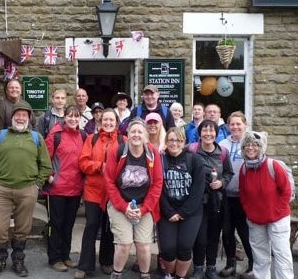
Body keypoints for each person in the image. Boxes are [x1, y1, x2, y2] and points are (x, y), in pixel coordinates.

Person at [0, 101, 52, 277]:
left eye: (25, 115)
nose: (21, 118)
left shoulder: (37, 138)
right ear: (12, 117)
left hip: (27, 189)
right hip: (1, 189)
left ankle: (18, 259)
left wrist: (37, 185)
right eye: (18, 115)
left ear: (29, 118)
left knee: (23, 227)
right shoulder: (1, 136)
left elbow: (46, 166)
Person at [104, 118, 163, 279]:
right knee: (124, 244)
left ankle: (145, 275)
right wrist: (124, 207)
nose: (136, 135)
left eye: (140, 131)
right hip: (120, 204)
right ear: (127, 134)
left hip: (145, 205)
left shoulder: (152, 153)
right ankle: (116, 274)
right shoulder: (117, 151)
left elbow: (158, 183)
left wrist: (143, 209)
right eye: (133, 131)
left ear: (145, 135)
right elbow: (109, 181)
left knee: (144, 246)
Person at [75, 108, 125, 279]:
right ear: (100, 121)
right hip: (93, 191)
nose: (108, 123)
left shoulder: (123, 140)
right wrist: (99, 166)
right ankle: (85, 265)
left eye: (111, 120)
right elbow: (83, 162)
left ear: (117, 122)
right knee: (91, 227)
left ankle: (106, 261)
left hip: (113, 193)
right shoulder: (92, 139)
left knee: (109, 229)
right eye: (105, 120)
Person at [239, 131, 294, 279]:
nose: (250, 148)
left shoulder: (273, 165)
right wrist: (248, 211)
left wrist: (277, 210)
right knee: (260, 257)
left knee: (282, 254)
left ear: (261, 147)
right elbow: (243, 194)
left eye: (255, 144)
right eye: (247, 145)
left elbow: (286, 191)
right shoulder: (244, 169)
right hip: (255, 220)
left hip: (278, 219)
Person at [188, 120, 233, 279]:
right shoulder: (191, 150)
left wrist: (222, 183)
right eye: (205, 131)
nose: (208, 134)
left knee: (214, 236)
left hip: (217, 201)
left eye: (211, 131)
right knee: (199, 237)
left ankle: (211, 268)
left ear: (216, 133)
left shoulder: (223, 152)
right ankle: (198, 267)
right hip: (197, 202)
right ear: (199, 133)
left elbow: (228, 173)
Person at [159, 127, 206, 279]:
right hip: (168, 210)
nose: (174, 143)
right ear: (166, 141)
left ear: (183, 142)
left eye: (178, 140)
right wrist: (170, 212)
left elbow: (198, 189)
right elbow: (157, 188)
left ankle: (180, 276)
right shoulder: (160, 159)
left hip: (191, 211)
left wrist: (182, 212)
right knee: (167, 248)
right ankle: (170, 273)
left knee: (185, 246)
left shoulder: (194, 159)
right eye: (171, 140)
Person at [43, 105, 85, 272]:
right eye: (70, 116)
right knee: (57, 224)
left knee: (69, 225)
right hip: (57, 189)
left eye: (76, 116)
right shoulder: (56, 134)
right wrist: (49, 176)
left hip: (75, 188)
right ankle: (54, 258)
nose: (73, 119)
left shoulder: (83, 135)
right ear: (64, 117)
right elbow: (45, 158)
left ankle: (65, 256)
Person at [219, 111, 254, 278]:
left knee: (245, 232)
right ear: (228, 126)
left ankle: (253, 265)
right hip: (226, 195)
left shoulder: (251, 142)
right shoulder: (223, 144)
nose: (235, 127)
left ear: (245, 124)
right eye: (232, 124)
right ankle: (230, 264)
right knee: (227, 232)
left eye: (238, 124)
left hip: (245, 197)